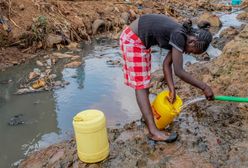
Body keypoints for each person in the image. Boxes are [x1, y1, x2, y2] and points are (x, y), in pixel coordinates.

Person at [119, 14, 214, 142]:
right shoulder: (179, 36)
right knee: (141, 86)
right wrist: (205, 87)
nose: (188, 53)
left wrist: (171, 88)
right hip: (133, 40)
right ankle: (153, 132)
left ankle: (147, 118)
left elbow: (166, 64)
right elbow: (179, 71)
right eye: (191, 51)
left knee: (144, 82)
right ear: (192, 41)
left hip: (140, 41)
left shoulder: (182, 35)